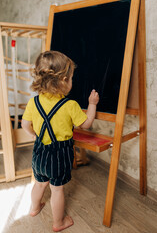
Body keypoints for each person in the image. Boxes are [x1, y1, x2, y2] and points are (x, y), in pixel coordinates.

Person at [21, 50, 99, 232]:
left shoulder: (34, 102)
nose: (72, 81)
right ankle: (58, 222)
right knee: (57, 190)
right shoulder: (70, 105)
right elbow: (86, 124)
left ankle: (34, 208)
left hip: (39, 151)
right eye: (71, 78)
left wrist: (34, 135)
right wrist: (92, 104)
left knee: (40, 183)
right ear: (64, 80)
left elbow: (25, 124)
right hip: (59, 154)